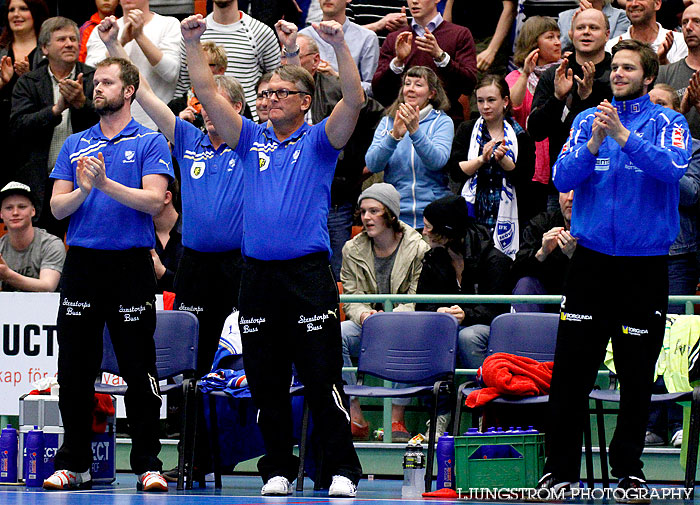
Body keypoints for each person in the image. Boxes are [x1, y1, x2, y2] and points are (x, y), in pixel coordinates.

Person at [182, 13, 364, 497]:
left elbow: (355, 98)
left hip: (307, 276)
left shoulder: (320, 140)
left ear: (305, 102)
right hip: (257, 277)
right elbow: (204, 86)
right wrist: (192, 41)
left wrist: (340, 42)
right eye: (263, 94)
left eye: (279, 93)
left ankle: (341, 469)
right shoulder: (248, 140)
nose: (267, 101)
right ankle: (278, 467)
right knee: (264, 379)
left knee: (321, 375)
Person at [536, 39, 691, 496]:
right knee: (571, 373)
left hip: (644, 268)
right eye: (615, 68)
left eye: (628, 68)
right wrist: (596, 142)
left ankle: (629, 470)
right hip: (591, 264)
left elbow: (672, 168)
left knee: (637, 375)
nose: (618, 73)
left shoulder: (669, 121)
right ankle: (560, 470)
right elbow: (561, 178)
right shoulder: (587, 121)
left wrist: (625, 137)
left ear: (648, 76)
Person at [43, 56, 174, 492]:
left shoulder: (150, 141)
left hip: (131, 265)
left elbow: (155, 202)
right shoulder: (75, 143)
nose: (96, 88)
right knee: (74, 369)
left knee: (139, 368)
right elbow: (57, 208)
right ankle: (75, 462)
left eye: (106, 82)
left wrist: (104, 185)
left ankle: (147, 465)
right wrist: (82, 187)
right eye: (94, 82)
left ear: (129, 90)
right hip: (82, 265)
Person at [280, 24, 384, 279]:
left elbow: (373, 111)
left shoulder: (336, 87)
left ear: (315, 61)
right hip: (296, 198)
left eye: (295, 55)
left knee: (335, 271)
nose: (287, 62)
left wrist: (359, 163)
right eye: (285, 55)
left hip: (335, 195)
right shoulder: (281, 96)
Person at [340, 182, 429, 442]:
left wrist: (390, 318)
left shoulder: (418, 247)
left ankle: (396, 420)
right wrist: (366, 316)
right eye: (363, 212)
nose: (366, 218)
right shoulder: (351, 249)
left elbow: (418, 297)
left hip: (403, 322)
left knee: (412, 333)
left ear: (390, 214)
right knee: (338, 333)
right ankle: (354, 413)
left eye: (374, 211)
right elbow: (351, 297)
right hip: (367, 324)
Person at [643, 82, 700, 448]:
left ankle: (678, 420)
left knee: (676, 344)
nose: (656, 112)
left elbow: (693, 193)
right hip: (635, 255)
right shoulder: (626, 146)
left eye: (663, 105)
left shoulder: (692, 149)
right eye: (650, 105)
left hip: (676, 256)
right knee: (645, 342)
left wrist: (658, 162)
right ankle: (649, 423)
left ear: (676, 112)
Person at [10, 16, 98, 239]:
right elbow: (18, 127)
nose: (69, 43)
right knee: (46, 246)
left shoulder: (94, 78)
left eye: (73, 39)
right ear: (44, 48)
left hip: (85, 180)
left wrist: (81, 104)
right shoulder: (29, 82)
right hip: (41, 180)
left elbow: (109, 121)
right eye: (61, 39)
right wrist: (55, 110)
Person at [416, 194, 512, 375]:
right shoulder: (434, 258)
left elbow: (498, 310)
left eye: (429, 227)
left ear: (445, 231)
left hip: (486, 327)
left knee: (467, 336)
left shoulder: (494, 261)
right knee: (421, 331)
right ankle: (437, 398)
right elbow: (421, 303)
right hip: (448, 324)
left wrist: (465, 315)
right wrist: (437, 311)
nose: (424, 232)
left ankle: (484, 393)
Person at [528, 7, 612, 211]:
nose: (586, 32)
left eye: (594, 27)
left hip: (609, 182)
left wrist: (587, 97)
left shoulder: (617, 73)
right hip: (563, 185)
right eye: (581, 27)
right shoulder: (555, 74)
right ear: (571, 34)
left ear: (607, 34)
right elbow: (535, 131)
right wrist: (557, 97)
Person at [447, 74, 536, 259]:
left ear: (505, 101)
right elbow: (455, 171)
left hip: (508, 219)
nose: (485, 106)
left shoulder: (520, 136)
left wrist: (504, 162)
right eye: (480, 101)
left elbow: (525, 180)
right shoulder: (467, 130)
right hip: (473, 218)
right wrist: (481, 160)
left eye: (491, 100)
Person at [365, 65, 453, 230]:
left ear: (432, 93)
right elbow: (372, 164)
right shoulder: (388, 121)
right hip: (396, 216)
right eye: (407, 84)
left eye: (418, 85)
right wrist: (394, 137)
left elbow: (437, 161)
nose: (410, 89)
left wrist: (415, 131)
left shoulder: (442, 122)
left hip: (432, 217)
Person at [371, 0, 477, 122]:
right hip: (401, 123)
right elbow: (378, 90)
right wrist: (398, 62)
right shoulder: (395, 38)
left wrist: (441, 57)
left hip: (446, 122)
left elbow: (469, 85)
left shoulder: (460, 35)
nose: (414, 2)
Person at [173, 0, 279, 122]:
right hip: (200, 123)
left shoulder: (261, 32)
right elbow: (184, 85)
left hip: (251, 124)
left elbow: (276, 82)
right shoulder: (191, 35)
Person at [84, 0, 181, 131]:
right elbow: (91, 77)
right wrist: (118, 42)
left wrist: (140, 36)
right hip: (112, 126)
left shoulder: (169, 24)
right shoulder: (103, 29)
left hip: (160, 125)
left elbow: (171, 73)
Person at [506, 16, 563, 217]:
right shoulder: (514, 78)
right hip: (528, 167)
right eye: (550, 37)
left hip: (558, 160)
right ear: (533, 43)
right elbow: (512, 107)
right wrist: (525, 74)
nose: (558, 42)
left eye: (559, 36)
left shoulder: (564, 73)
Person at [0, 0, 48, 188]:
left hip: (35, 133)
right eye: (12, 10)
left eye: (23, 9)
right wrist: (3, 82)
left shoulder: (47, 50)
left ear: (35, 13)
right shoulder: (1, 49)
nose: (16, 14)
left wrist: (29, 79)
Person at [511, 190, 575, 313]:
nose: (570, 198)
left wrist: (574, 256)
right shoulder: (542, 223)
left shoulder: (599, 230)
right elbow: (514, 273)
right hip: (545, 299)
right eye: (566, 191)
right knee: (526, 284)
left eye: (577, 191)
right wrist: (542, 253)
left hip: (581, 300)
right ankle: (526, 330)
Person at [299, 0, 379, 95]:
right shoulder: (303, 36)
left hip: (349, 104)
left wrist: (337, 78)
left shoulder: (367, 37)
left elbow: (372, 89)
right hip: (309, 103)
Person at [0, 180, 65, 292]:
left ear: (33, 211)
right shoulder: (1, 246)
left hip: (45, 307)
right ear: (1, 214)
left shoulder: (51, 244)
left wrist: (8, 275)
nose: (15, 212)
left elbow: (48, 286)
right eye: (9, 208)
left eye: (22, 207)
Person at [657, 3, 700, 138]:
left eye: (697, 22)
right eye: (684, 22)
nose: (688, 27)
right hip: (676, 151)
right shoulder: (664, 72)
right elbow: (656, 120)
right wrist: (682, 110)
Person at [443, 0, 516, 77]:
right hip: (457, 39)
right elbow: (450, 3)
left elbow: (509, 8)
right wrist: (444, 37)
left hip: (486, 41)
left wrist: (491, 51)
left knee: (483, 84)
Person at [605, 0, 687, 64]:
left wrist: (663, 62)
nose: (634, 4)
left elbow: (680, 82)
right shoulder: (611, 46)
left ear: (657, 4)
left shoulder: (680, 42)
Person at [151, 177, 182, 294]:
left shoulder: (193, 235)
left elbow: (200, 286)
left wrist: (163, 273)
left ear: (166, 197)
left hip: (188, 309)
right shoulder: (138, 236)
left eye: (147, 194)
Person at [558, 0, 629, 51]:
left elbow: (616, 49)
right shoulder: (564, 16)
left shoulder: (621, 16)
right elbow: (558, 49)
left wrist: (593, 16)